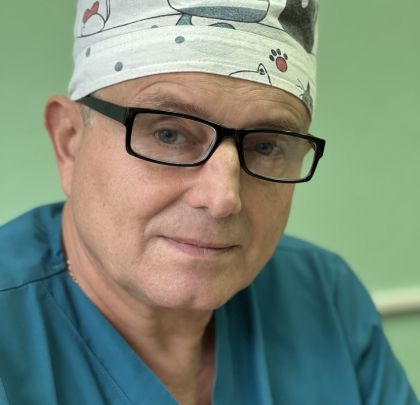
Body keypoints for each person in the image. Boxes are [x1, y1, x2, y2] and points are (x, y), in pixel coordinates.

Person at [0, 1, 417, 404]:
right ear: (69, 141)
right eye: (169, 135)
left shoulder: (324, 300)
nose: (222, 199)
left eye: (266, 146)